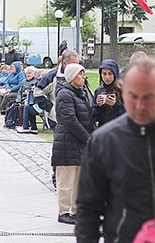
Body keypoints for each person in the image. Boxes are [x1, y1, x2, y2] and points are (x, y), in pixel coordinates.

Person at [75, 57, 155, 242]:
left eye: (148, 97)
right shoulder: (104, 141)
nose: (140, 106)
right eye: (133, 96)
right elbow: (88, 206)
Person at [51, 63, 94, 224]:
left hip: (79, 144)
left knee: (78, 181)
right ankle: (64, 211)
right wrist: (87, 137)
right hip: (67, 143)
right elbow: (70, 120)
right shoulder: (64, 94)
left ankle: (76, 211)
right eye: (79, 75)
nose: (83, 78)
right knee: (66, 181)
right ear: (71, 77)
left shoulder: (80, 93)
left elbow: (87, 116)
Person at [92, 59, 125, 127]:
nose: (107, 77)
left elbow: (129, 113)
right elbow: (94, 115)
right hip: (104, 129)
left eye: (110, 74)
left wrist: (115, 105)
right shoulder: (99, 91)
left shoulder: (123, 89)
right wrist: (99, 105)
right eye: (104, 74)